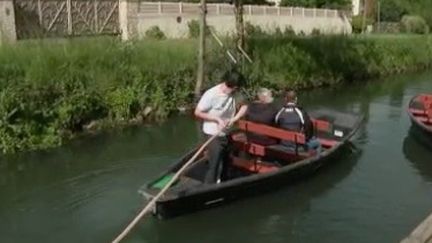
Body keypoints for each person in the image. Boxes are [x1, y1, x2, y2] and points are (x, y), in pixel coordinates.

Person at [194, 70, 248, 184]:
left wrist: (234, 119)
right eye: (236, 88)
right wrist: (217, 119)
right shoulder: (211, 94)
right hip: (212, 134)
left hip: (226, 133)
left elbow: (244, 106)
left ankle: (223, 184)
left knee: (227, 161)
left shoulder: (235, 93)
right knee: (214, 164)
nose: (236, 91)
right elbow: (197, 112)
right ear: (232, 86)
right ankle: (208, 189)